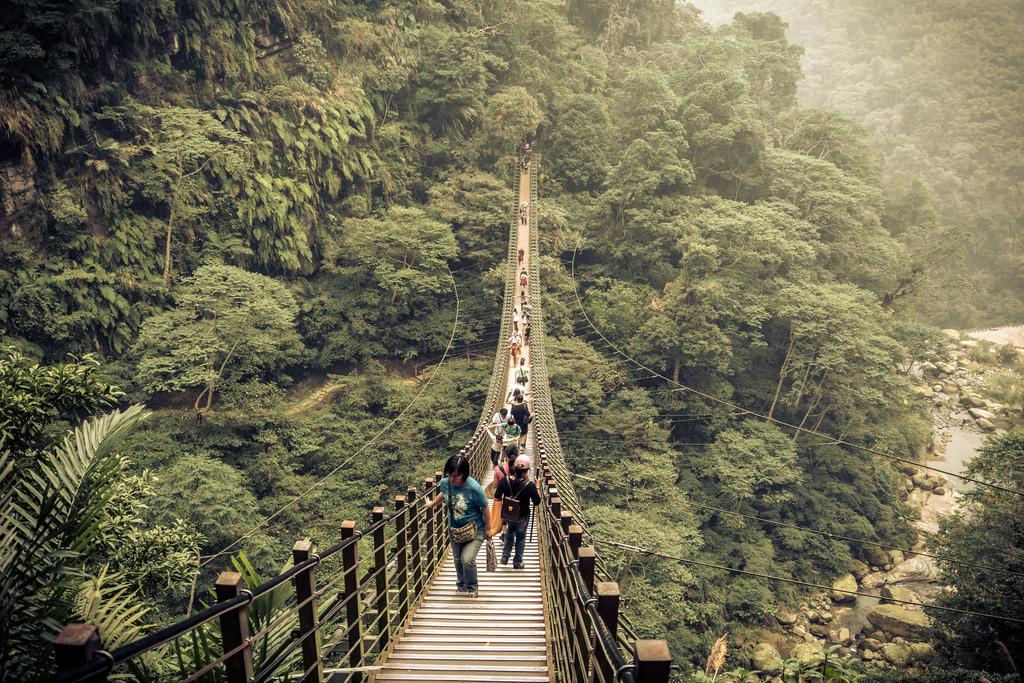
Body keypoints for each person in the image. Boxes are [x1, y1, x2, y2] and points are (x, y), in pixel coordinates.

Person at [426, 455, 491, 597]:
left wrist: (489, 528)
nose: (451, 479)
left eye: (455, 476)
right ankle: (461, 585)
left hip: (475, 529)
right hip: (455, 529)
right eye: (449, 475)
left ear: (463, 474)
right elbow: (444, 495)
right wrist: (432, 504)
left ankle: (472, 587)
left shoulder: (474, 488)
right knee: (457, 560)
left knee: (467, 559)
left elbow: (485, 508)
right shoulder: (445, 483)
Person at [495, 454, 540, 569]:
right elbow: (537, 502)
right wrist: (538, 486)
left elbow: (497, 497)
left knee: (510, 531)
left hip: (508, 514)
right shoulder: (530, 486)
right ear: (526, 471)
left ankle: (505, 556)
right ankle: (517, 562)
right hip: (522, 516)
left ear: (514, 468)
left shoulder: (505, 481)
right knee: (520, 537)